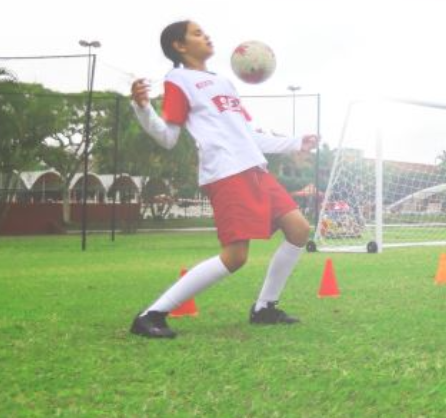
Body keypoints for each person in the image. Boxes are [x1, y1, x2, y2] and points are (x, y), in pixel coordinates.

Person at [128, 20, 318, 339]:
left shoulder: (224, 83)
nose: (206, 36)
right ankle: (151, 315)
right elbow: (168, 137)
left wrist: (295, 142)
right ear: (180, 46)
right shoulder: (178, 80)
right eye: (197, 33)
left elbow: (247, 134)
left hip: (255, 168)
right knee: (235, 257)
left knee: (298, 229)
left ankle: (264, 309)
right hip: (227, 173)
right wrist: (142, 108)